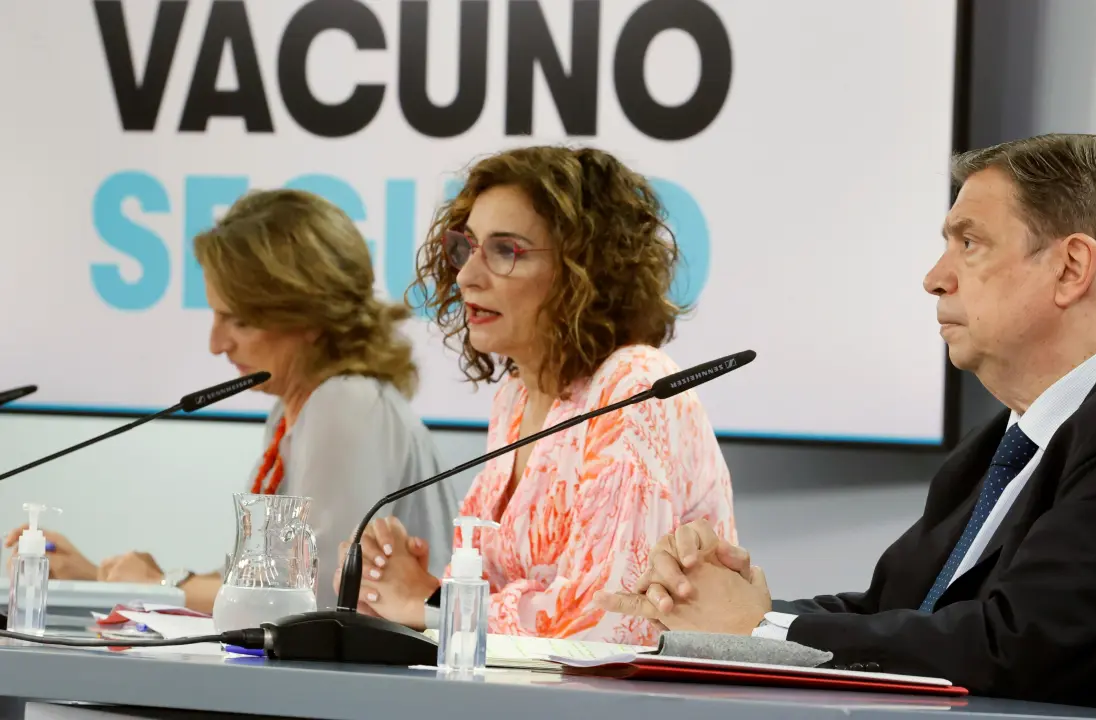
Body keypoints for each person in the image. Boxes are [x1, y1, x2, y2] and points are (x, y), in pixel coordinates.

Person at [596, 134, 1096, 720]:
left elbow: (1009, 645)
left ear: (1071, 268)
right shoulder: (1006, 444)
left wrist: (755, 627)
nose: (934, 278)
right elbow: (895, 609)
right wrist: (716, 608)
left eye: (970, 243)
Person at [336, 145, 736, 645]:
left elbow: (610, 618)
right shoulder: (515, 398)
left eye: (505, 251)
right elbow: (495, 609)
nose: (466, 276)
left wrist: (432, 601)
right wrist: (392, 583)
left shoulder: (635, 386)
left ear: (584, 269)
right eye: (468, 248)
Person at [4, 189, 460, 613]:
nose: (216, 344)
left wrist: (158, 585)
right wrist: (100, 579)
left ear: (310, 316)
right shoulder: (293, 409)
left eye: (238, 321)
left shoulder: (345, 405)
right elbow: (260, 584)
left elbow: (312, 598)